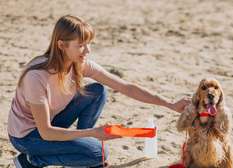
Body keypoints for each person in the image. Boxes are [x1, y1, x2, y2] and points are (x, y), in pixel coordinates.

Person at [7, 15, 190, 168]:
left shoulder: (79, 64)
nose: (87, 50)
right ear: (61, 45)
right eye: (80, 45)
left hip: (51, 123)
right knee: (99, 154)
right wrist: (93, 133)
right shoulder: (37, 76)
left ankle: (81, 151)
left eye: (88, 43)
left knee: (98, 91)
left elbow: (125, 87)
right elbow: (46, 132)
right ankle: (31, 161)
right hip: (27, 137)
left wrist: (170, 104)